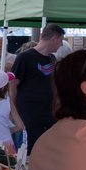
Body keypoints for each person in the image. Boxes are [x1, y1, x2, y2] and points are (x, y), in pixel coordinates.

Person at [11, 24, 64, 154]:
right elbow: (12, 85)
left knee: (47, 151)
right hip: (29, 116)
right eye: (61, 40)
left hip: (49, 115)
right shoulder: (25, 57)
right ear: (54, 38)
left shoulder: (52, 58)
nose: (61, 44)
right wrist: (13, 112)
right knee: (30, 152)